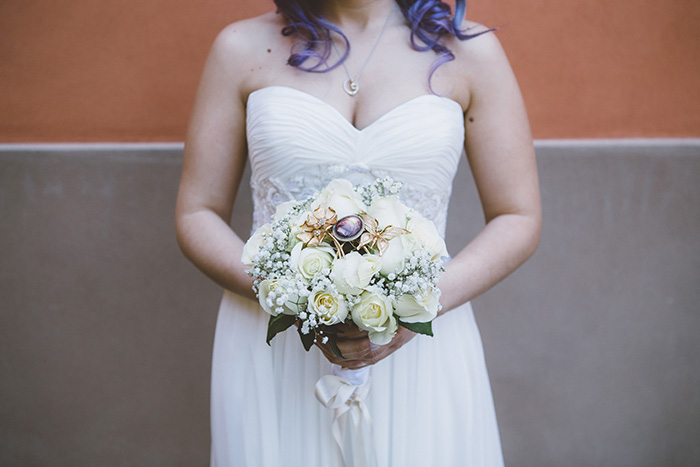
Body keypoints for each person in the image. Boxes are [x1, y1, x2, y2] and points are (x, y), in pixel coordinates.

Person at [175, 0, 541, 465]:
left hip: (422, 347)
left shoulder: (470, 51)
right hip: (273, 342)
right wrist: (290, 295)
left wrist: (416, 307)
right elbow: (197, 212)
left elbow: (518, 216)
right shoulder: (241, 48)